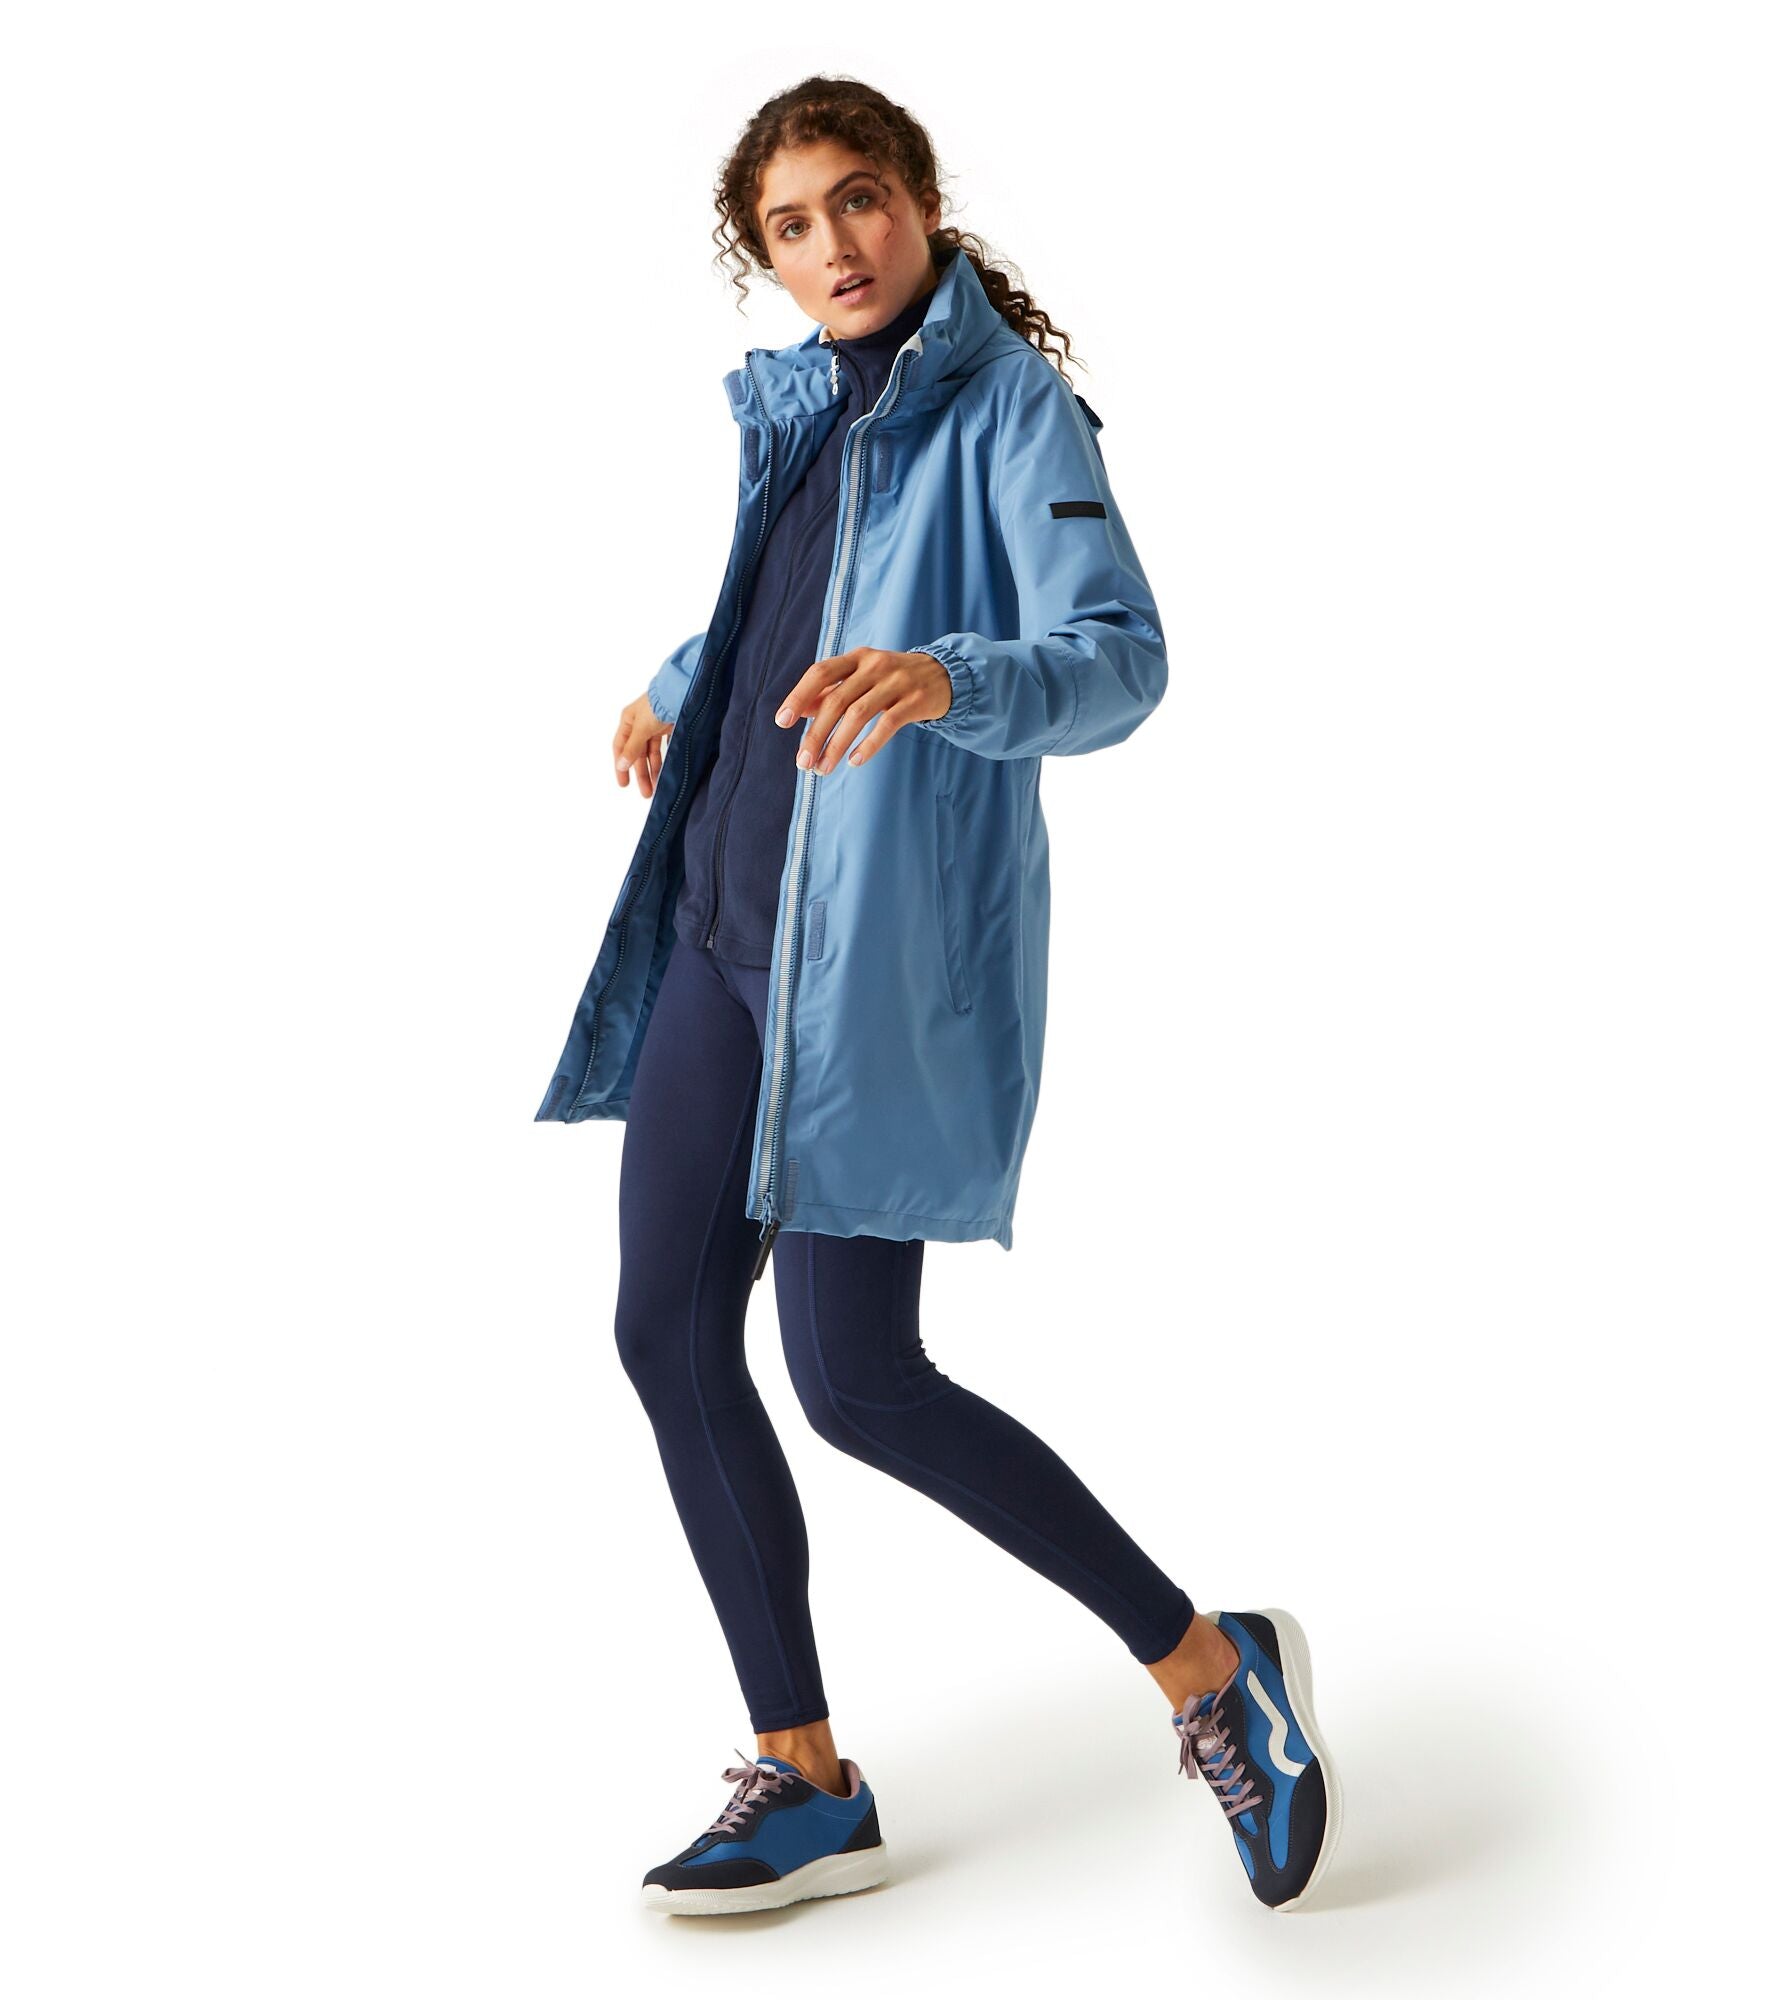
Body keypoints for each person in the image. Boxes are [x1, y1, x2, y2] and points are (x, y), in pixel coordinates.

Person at [536, 75, 1341, 1917]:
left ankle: (1211, 1669)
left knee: (858, 1382)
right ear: (763, 254)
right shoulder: (805, 407)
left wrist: (949, 679)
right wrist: (683, 674)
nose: (835, 243)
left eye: (861, 199)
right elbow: (793, 597)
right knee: (665, 1332)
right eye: (793, 223)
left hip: (868, 975)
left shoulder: (1010, 408)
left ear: (917, 197)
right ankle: (806, 1776)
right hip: (721, 930)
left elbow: (1117, 658)